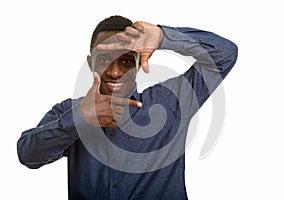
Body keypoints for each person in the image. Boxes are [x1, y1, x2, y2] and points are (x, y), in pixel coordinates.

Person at [17, 15, 238, 200]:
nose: (115, 72)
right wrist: (79, 119)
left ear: (139, 62)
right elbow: (28, 155)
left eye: (126, 61)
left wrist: (163, 37)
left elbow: (225, 54)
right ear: (90, 62)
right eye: (104, 60)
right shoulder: (69, 111)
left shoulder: (171, 102)